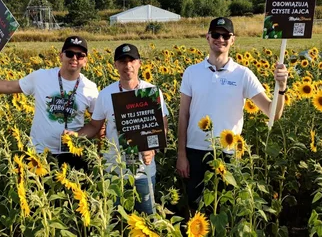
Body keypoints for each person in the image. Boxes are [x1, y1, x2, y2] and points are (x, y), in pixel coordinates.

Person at [176, 17, 288, 209]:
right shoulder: (191, 72)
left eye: (226, 35)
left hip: (228, 154)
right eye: (216, 35)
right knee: (196, 210)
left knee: (225, 212)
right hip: (195, 151)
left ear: (233, 40)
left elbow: (272, 113)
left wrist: (282, 87)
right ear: (207, 37)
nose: (221, 39)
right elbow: (183, 114)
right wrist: (181, 154)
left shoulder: (243, 74)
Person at [0, 36, 99, 170]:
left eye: (80, 55)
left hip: (73, 153)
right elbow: (9, 87)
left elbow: (96, 125)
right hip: (38, 154)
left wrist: (77, 136)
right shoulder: (41, 77)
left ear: (85, 60)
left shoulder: (90, 88)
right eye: (69, 53)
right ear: (61, 56)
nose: (74, 58)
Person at [75, 43, 169, 214]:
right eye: (122, 61)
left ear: (139, 63)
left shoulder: (152, 92)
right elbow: (95, 125)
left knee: (147, 220)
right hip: (114, 171)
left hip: (143, 171)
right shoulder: (106, 94)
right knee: (116, 221)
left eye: (131, 60)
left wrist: (153, 148)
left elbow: (162, 125)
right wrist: (75, 136)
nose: (128, 66)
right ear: (115, 65)